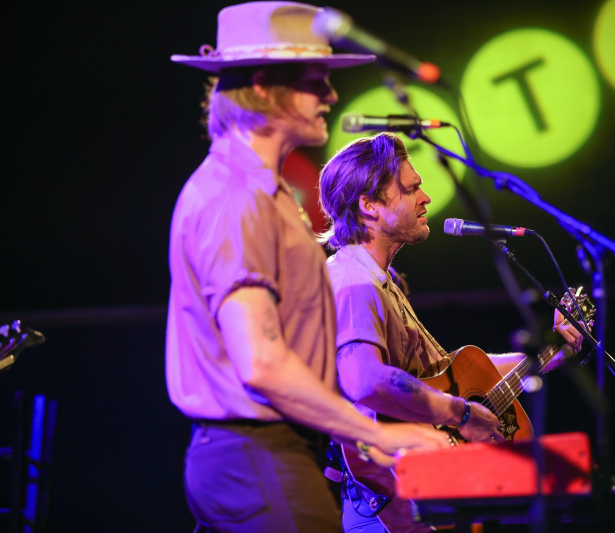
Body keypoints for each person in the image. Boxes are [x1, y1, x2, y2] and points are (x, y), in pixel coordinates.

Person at [165, 5, 449, 532]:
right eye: (315, 81)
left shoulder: (260, 194)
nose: (331, 96)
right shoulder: (237, 197)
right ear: (263, 86)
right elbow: (261, 362)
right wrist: (378, 435)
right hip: (259, 457)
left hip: (261, 459)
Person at [318, 133, 585, 532]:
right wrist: (462, 414)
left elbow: (455, 377)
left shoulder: (380, 281)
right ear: (369, 205)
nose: (425, 198)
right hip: (389, 501)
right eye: (411, 189)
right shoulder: (354, 283)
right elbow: (364, 379)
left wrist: (550, 353)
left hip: (419, 492)